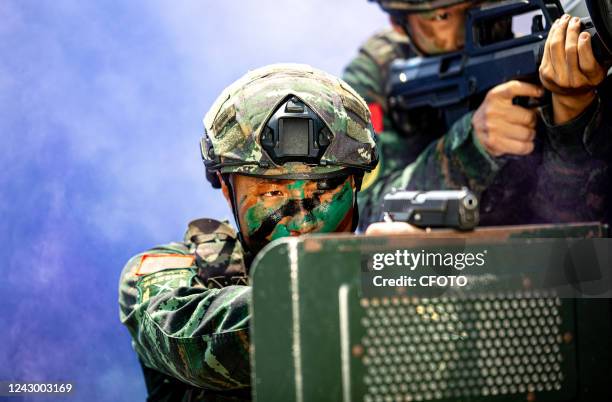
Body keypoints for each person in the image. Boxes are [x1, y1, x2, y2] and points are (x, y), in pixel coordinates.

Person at [118, 63, 378, 401]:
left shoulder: (386, 273)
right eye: (273, 193)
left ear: (355, 185)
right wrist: (354, 303)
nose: (301, 220)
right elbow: (186, 339)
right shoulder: (167, 272)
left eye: (323, 192)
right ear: (227, 190)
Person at [344, 0, 611, 230]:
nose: (468, 23)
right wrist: (470, 147)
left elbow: (576, 222)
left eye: (479, 4)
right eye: (442, 16)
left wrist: (571, 108)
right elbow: (365, 208)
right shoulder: (379, 70)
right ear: (398, 22)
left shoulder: (546, 52)